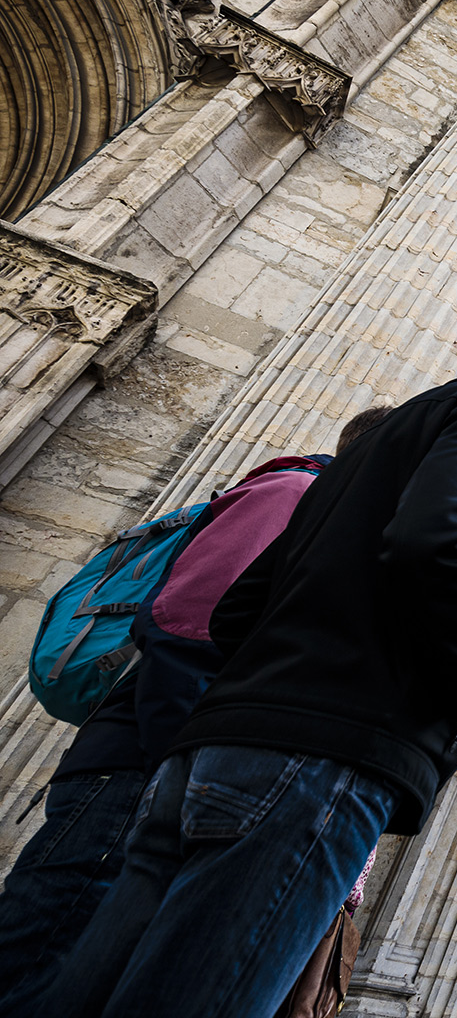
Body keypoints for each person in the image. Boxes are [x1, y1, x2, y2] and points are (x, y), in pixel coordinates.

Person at [40, 314, 457, 1018]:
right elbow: (439, 540)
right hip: (320, 758)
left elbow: (239, 609)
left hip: (210, 751)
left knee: (90, 995)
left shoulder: (372, 446)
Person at [0, 406, 390, 1011]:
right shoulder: (294, 492)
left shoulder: (325, 513)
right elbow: (188, 628)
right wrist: (179, 769)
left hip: (164, 771)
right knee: (39, 960)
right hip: (138, 766)